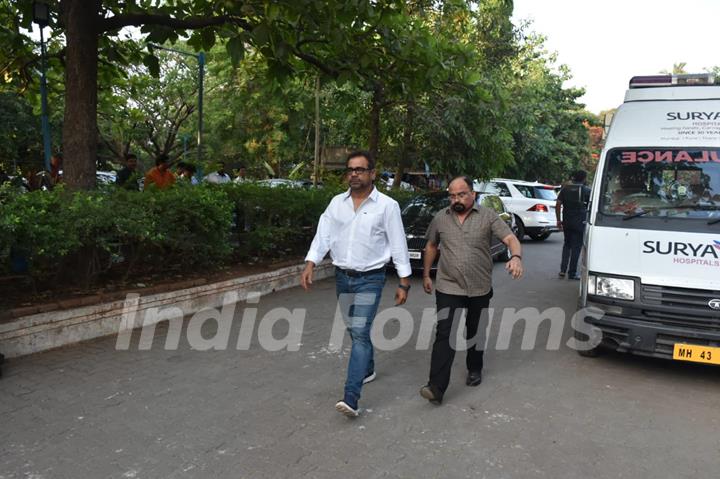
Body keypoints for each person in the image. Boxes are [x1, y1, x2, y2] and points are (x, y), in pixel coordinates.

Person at [300, 150, 411, 418]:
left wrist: (404, 282)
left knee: (359, 333)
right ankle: (369, 367)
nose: (354, 174)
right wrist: (311, 263)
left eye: (360, 169)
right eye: (350, 169)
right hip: (343, 277)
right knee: (355, 330)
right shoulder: (336, 203)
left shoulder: (387, 206)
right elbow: (323, 235)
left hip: (370, 278)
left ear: (372, 174)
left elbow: (398, 244)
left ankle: (351, 396)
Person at [420, 176, 523, 405]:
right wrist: (427, 274)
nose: (456, 199)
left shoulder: (487, 216)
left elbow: (510, 238)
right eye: (452, 195)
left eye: (461, 194)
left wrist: (516, 257)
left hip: (479, 286)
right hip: (448, 285)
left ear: (473, 194)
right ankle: (436, 387)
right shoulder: (441, 218)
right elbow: (431, 245)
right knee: (444, 333)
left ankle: (475, 367)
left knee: (474, 331)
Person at [556, 170, 591, 280]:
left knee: (567, 244)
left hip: (567, 220)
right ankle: (572, 273)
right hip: (580, 221)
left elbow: (558, 205)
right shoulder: (586, 190)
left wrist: (558, 220)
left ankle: (562, 270)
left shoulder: (565, 189)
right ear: (584, 178)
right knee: (576, 247)